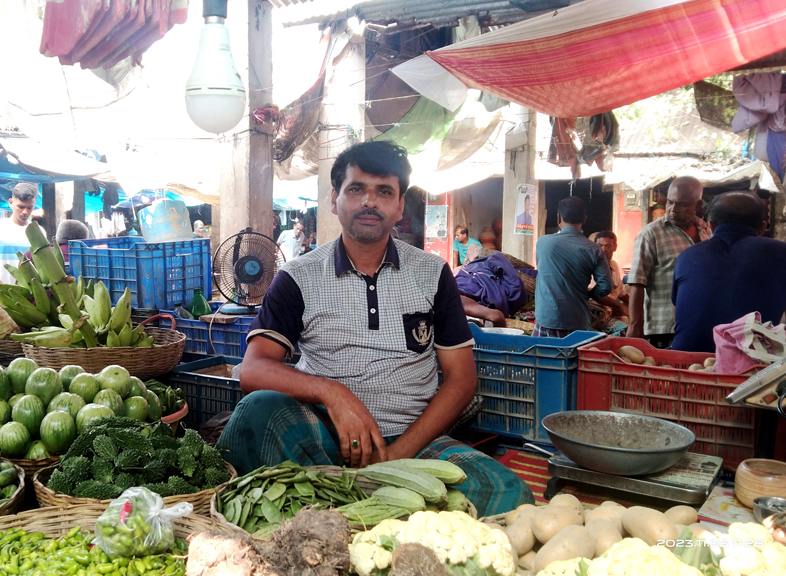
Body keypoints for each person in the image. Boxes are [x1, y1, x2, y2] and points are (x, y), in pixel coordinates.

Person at [215, 140, 533, 517]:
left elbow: (461, 381)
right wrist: (333, 394)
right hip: (325, 435)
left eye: (384, 191)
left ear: (399, 205)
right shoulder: (297, 276)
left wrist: (398, 457)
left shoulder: (433, 274)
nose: (370, 201)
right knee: (258, 412)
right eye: (356, 189)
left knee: (510, 495)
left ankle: (342, 513)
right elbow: (252, 369)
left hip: (414, 440)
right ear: (334, 199)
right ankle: (354, 514)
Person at [672, 192, 786, 352]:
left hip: (686, 361)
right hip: (752, 365)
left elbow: (678, 316)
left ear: (711, 226)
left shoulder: (686, 256)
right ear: (762, 227)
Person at [627, 176, 711, 348]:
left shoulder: (706, 231)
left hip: (700, 324)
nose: (673, 209)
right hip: (663, 328)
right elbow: (637, 281)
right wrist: (635, 325)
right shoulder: (651, 234)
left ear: (698, 205)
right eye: (670, 202)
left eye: (682, 204)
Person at [532, 197, 613, 337]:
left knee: (543, 357)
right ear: (584, 219)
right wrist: (587, 294)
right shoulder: (594, 250)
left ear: (558, 218)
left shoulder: (543, 242)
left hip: (546, 319)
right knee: (573, 358)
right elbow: (606, 286)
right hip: (577, 321)